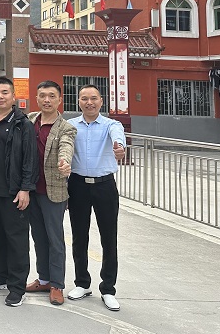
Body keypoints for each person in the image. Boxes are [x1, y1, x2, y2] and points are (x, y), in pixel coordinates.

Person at [66, 84, 126, 312]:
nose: (89, 102)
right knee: (79, 236)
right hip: (78, 185)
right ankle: (82, 283)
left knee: (109, 238)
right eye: (84, 98)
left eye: (93, 98)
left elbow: (118, 138)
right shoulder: (71, 126)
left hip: (104, 186)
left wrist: (119, 148)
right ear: (78, 102)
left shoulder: (112, 125)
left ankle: (108, 289)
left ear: (101, 101)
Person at [0, 76, 38, 307]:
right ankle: (0, 276)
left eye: (5, 92)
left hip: (14, 192)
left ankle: (17, 286)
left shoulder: (23, 124)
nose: (0, 96)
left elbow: (30, 159)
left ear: (13, 96)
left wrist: (25, 188)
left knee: (16, 240)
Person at [24, 80, 76, 306]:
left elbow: (66, 146)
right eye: (43, 95)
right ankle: (44, 279)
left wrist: (64, 162)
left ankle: (57, 284)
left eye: (52, 96)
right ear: (36, 98)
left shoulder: (66, 128)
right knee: (38, 236)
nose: (47, 100)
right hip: (31, 190)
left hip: (53, 191)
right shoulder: (29, 120)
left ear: (59, 100)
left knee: (55, 239)